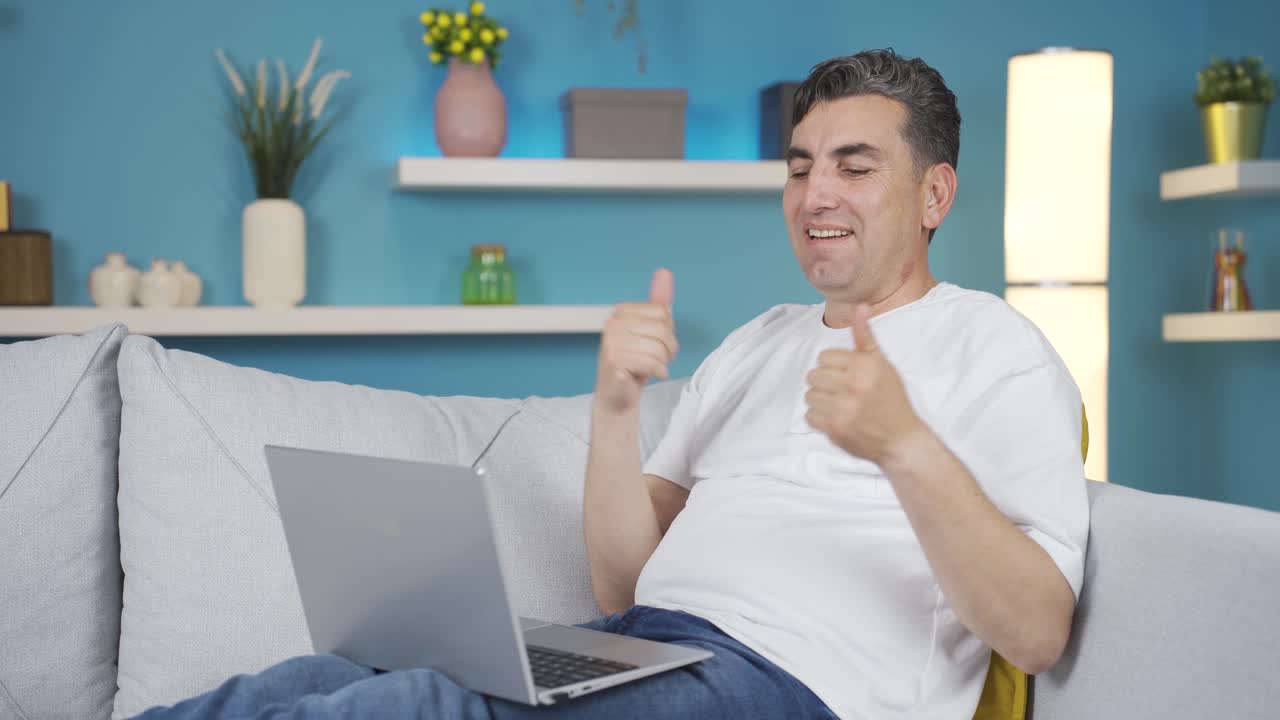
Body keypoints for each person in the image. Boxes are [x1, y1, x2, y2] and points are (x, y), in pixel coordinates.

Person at [135, 48, 1088, 720]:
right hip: (647, 642)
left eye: (855, 165)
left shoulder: (997, 351)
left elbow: (1038, 630)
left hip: (798, 686)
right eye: (800, 168)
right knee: (311, 682)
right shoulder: (759, 344)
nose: (816, 195)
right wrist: (616, 407)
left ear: (935, 195)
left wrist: (903, 444)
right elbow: (623, 581)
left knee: (420, 710)